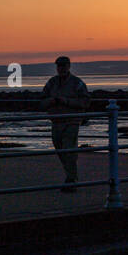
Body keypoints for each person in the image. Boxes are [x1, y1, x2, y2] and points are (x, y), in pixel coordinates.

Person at [40, 56, 91, 191]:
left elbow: (85, 101)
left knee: (69, 149)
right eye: (59, 66)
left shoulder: (77, 83)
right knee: (60, 149)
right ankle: (70, 175)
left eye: (63, 65)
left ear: (69, 66)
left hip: (72, 121)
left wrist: (66, 101)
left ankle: (71, 179)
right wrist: (52, 101)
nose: (61, 68)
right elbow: (42, 101)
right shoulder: (52, 82)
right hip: (56, 121)